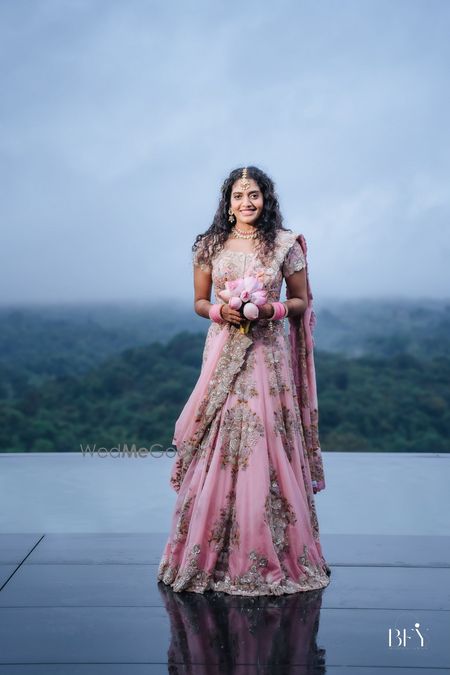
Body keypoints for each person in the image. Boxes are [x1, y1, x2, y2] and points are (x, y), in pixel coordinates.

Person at [157, 166, 331, 596]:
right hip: (223, 348)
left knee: (267, 436)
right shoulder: (209, 245)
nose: (246, 202)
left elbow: (300, 300)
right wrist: (221, 311)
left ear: (265, 199)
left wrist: (269, 309)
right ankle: (208, 555)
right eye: (238, 196)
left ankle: (277, 553)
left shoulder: (286, 245)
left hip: (267, 355)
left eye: (254, 194)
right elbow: (199, 301)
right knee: (221, 434)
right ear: (227, 201)